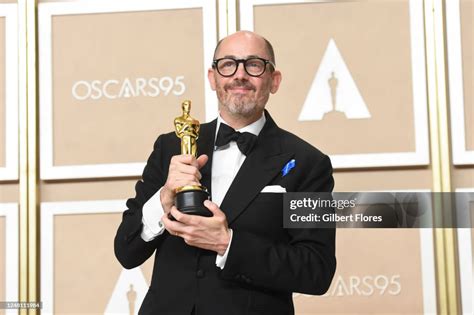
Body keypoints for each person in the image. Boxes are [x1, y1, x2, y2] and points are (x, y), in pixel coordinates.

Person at [114, 31, 336, 315]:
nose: (239, 75)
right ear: (213, 77)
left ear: (274, 80)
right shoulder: (170, 146)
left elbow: (316, 269)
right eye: (228, 64)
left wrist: (228, 244)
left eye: (254, 64)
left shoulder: (308, 162)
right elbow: (126, 251)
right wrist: (163, 198)